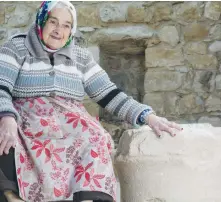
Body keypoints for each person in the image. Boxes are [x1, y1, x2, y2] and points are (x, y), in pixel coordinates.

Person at [0, 1, 182, 202]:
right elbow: (1, 86)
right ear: (41, 21)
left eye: (66, 25)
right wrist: (6, 116)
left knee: (97, 136)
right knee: (5, 134)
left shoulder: (80, 57)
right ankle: (11, 195)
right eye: (53, 22)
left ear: (72, 30)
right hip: (26, 119)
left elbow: (110, 94)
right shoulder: (17, 47)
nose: (58, 30)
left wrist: (148, 116)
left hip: (68, 121)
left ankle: (89, 197)